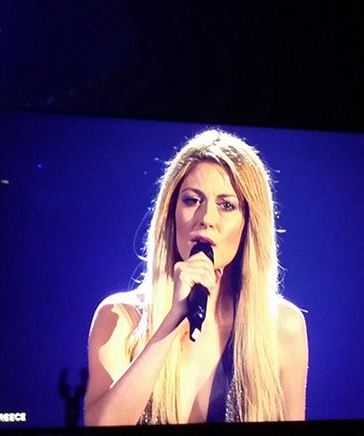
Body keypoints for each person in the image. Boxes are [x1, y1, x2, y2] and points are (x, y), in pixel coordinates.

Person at [84, 129, 308, 425]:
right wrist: (173, 319)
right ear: (171, 212)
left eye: (226, 205)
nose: (206, 219)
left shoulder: (282, 326)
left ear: (249, 223)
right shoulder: (120, 318)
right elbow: (102, 424)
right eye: (192, 200)